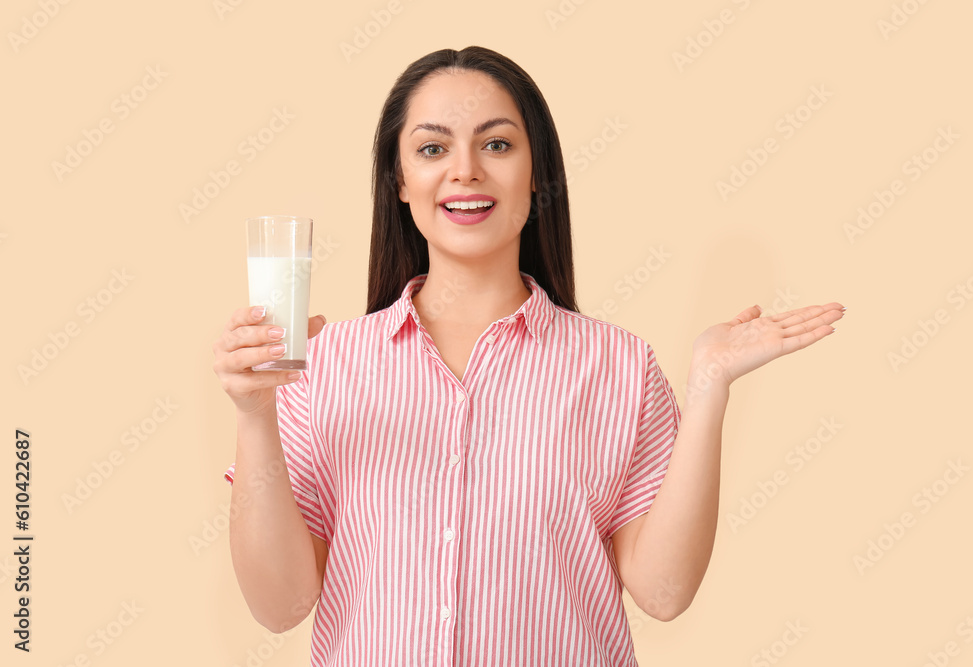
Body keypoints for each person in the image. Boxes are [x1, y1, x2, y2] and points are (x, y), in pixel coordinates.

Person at [212, 45, 845, 666]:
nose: (465, 171)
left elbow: (664, 592)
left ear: (537, 173)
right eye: (433, 148)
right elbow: (281, 606)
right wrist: (253, 415)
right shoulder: (324, 367)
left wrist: (709, 388)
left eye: (496, 144)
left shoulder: (617, 367)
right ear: (400, 182)